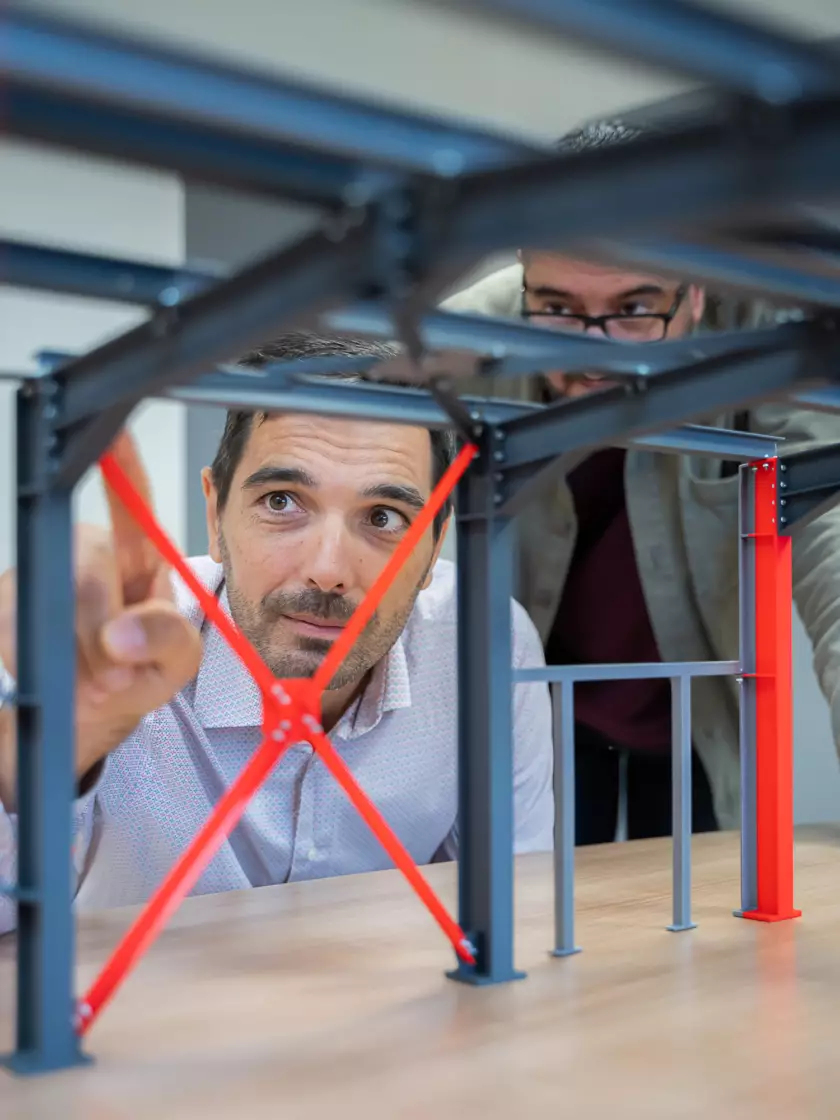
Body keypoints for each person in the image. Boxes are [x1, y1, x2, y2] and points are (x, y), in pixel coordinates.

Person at [0, 333, 554, 933]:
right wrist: (41, 762)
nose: (329, 570)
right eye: (282, 501)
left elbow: (511, 904)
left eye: (385, 517)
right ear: (215, 516)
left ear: (434, 549)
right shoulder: (108, 650)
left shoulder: (483, 640)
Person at [441, 118, 840, 845]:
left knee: (699, 926)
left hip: (698, 723)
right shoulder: (468, 337)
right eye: (557, 309)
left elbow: (832, 542)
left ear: (697, 291)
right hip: (543, 722)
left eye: (632, 311)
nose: (593, 356)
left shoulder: (774, 333)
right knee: (546, 923)